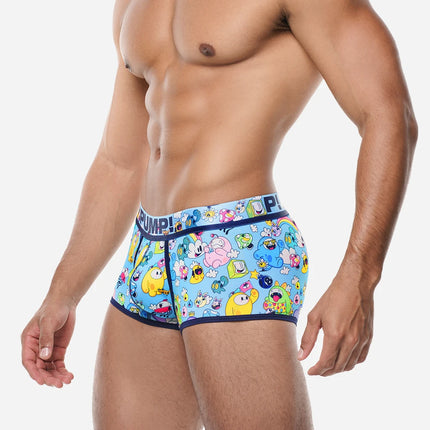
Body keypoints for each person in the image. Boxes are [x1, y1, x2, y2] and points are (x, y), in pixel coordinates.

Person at [21, 0, 418, 428]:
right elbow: (120, 162)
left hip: (237, 245)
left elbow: (388, 114)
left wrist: (359, 276)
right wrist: (62, 292)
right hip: (147, 251)